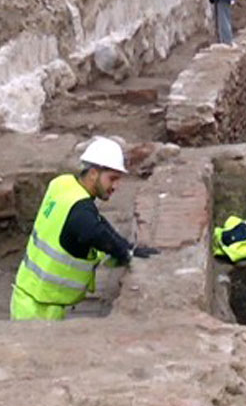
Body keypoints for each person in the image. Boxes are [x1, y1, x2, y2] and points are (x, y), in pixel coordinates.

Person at [10, 137, 155, 320]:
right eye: (112, 179)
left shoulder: (62, 184)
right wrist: (125, 253)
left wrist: (126, 247)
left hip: (25, 296)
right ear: (93, 173)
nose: (116, 186)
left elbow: (97, 222)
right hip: (40, 311)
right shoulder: (81, 211)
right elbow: (95, 231)